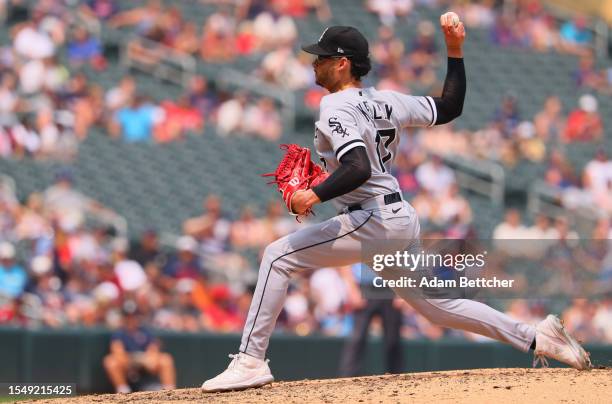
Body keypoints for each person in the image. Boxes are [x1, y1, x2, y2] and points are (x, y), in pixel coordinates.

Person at [202, 16, 591, 393]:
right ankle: (539, 338)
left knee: (275, 257)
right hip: (396, 218)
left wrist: (313, 194)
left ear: (342, 64)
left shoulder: (335, 107)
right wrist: (454, 51)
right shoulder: (387, 100)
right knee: (437, 307)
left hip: (371, 220)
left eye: (321, 57)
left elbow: (357, 167)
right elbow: (450, 106)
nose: (314, 62)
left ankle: (250, 361)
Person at [103, 305, 176, 394]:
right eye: (128, 316)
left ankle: (169, 392)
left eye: (133, 316)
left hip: (145, 359)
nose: (131, 319)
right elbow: (117, 350)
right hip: (129, 360)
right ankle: (123, 391)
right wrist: (128, 364)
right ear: (124, 318)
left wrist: (150, 360)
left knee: (166, 359)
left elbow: (153, 347)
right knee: (111, 361)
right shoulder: (119, 333)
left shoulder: (145, 331)